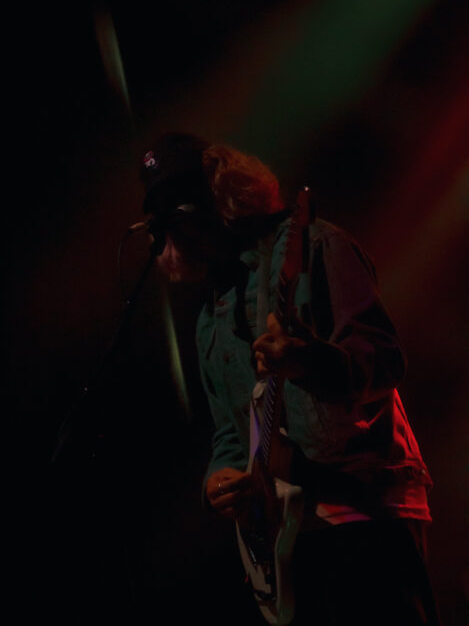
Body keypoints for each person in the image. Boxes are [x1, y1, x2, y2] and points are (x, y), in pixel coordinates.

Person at [140, 132, 440, 625]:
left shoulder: (317, 245)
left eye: (184, 207)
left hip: (364, 511)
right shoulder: (211, 315)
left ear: (220, 192)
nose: (180, 228)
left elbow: (385, 361)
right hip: (288, 536)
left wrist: (307, 361)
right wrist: (219, 478)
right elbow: (230, 432)